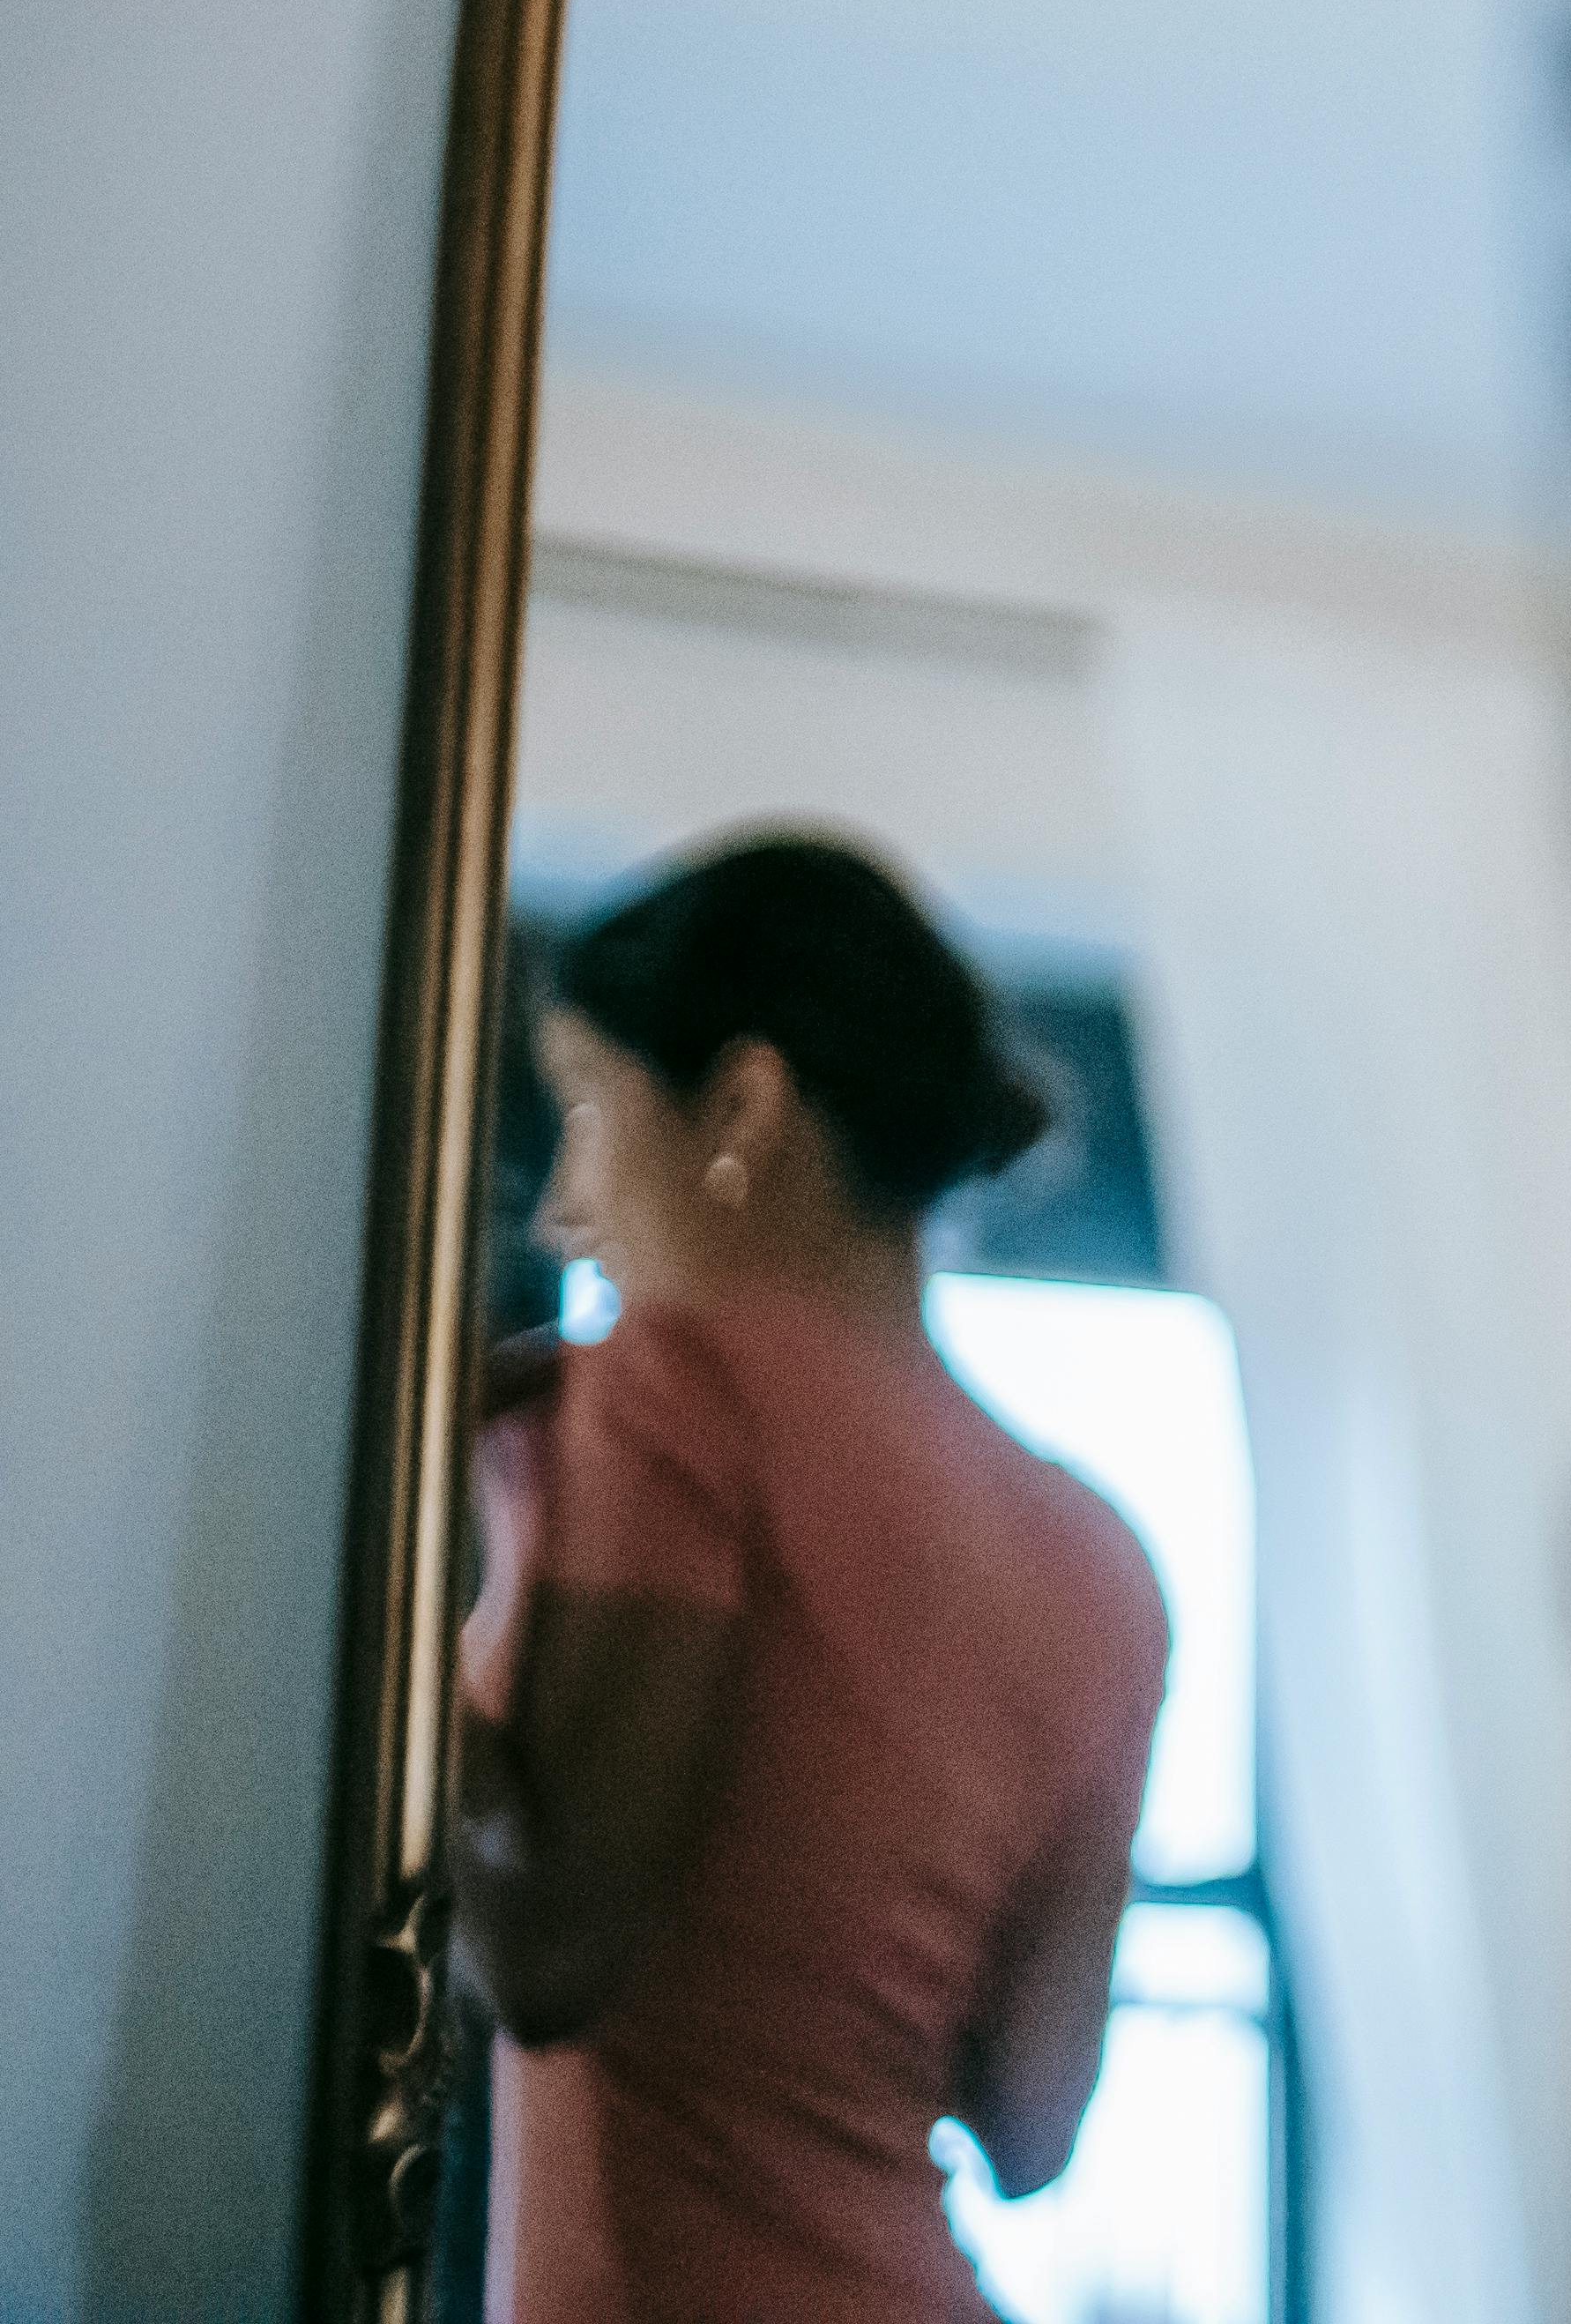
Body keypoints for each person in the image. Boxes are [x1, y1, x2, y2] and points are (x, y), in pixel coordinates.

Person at [456, 833, 1172, 2321]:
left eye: (589, 1108)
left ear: (741, 1107)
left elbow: (553, 1954)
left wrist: (377, 1600)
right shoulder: (1100, 1558)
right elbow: (1032, 2129)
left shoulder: (672, 1395)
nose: (561, 1209)